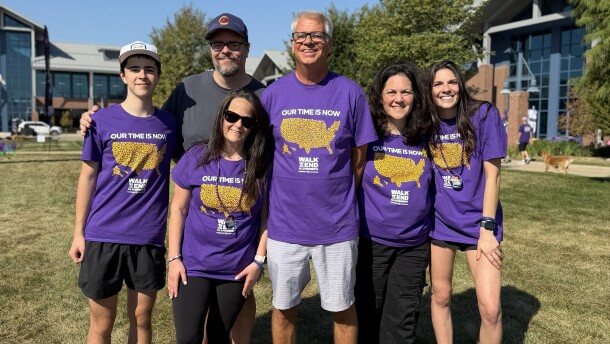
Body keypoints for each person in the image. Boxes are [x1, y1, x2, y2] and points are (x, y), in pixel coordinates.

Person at [80, 13, 265, 343]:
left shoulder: (264, 95)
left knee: (238, 301)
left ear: (246, 49)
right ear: (210, 50)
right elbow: (143, 121)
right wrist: (93, 118)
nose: (225, 50)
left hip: (240, 222)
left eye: (233, 44)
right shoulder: (187, 90)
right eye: (218, 44)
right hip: (194, 221)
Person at [260, 10, 378, 343]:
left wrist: (334, 195)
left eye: (317, 36)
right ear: (292, 43)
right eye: (301, 36)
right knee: (283, 308)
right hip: (285, 228)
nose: (308, 42)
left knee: (343, 308)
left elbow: (358, 160)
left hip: (336, 228)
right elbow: (263, 155)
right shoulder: (272, 95)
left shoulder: (350, 93)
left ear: (329, 45)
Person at [69, 41, 176, 343]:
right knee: (102, 322)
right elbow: (87, 178)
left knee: (141, 320)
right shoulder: (100, 121)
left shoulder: (169, 123)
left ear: (157, 76)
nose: (142, 74)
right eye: (134, 68)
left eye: (150, 69)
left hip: (147, 237)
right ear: (123, 75)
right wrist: (79, 233)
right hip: (103, 235)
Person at [167, 89, 270, 343]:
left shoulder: (261, 165)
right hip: (193, 266)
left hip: (235, 270)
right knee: (188, 338)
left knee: (217, 336)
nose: (238, 125)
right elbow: (178, 209)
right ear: (221, 116)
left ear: (254, 127)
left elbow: (268, 218)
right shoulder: (197, 156)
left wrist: (258, 262)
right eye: (232, 116)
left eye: (247, 121)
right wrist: (174, 259)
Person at [426, 60, 506, 344]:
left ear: (460, 84)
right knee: (441, 296)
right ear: (429, 90)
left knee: (491, 309)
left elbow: (493, 176)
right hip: (440, 225)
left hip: (479, 226)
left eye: (451, 82)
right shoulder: (427, 122)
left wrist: (487, 228)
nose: (445, 89)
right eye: (437, 84)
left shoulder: (483, 114)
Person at [354, 60, 434, 343]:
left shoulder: (428, 137)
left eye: (406, 92)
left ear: (415, 97)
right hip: (371, 241)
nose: (398, 99)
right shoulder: (365, 136)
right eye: (391, 92)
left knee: (401, 320)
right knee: (367, 313)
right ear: (379, 96)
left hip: (413, 245)